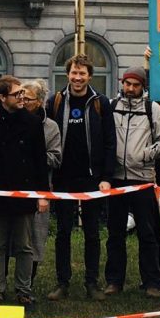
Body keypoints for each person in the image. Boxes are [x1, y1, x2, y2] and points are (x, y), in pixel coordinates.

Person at [45, 54, 117, 302]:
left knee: (92, 232)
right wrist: (49, 176)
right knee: (63, 231)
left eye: (82, 73)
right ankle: (62, 283)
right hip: (63, 177)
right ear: (68, 74)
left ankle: (91, 283)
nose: (78, 78)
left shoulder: (101, 103)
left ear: (89, 76)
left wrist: (106, 176)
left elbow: (110, 142)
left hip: (92, 178)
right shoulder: (54, 101)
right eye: (74, 73)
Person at [0, 76, 50, 307]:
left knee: (24, 245)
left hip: (24, 192)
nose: (22, 97)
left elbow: (40, 161)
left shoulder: (32, 123)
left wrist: (42, 194)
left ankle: (23, 290)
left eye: (22, 94)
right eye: (16, 94)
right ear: (2, 97)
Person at [105, 66, 160, 298]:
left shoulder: (153, 109)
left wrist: (147, 154)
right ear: (122, 83)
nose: (130, 89)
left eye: (136, 85)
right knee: (115, 233)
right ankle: (114, 281)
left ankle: (152, 281)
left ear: (143, 86)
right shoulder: (111, 106)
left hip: (142, 178)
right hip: (117, 179)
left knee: (147, 233)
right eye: (127, 84)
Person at [21, 79, 62, 289]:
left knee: (35, 237)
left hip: (40, 188)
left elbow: (56, 157)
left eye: (27, 99)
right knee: (15, 237)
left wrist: (34, 157)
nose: (23, 102)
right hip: (16, 188)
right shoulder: (15, 120)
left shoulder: (51, 127)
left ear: (39, 101)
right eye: (21, 97)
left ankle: (29, 284)